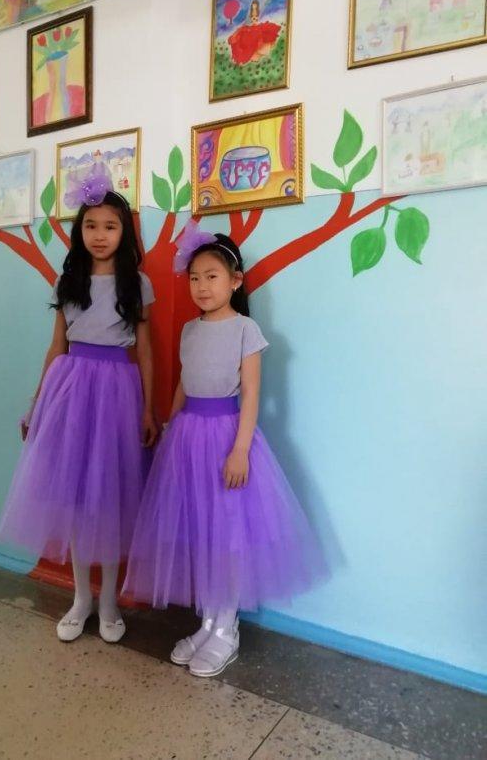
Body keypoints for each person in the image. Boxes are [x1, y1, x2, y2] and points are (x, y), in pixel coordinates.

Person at [123, 221, 326, 676]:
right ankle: (207, 621)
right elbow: (183, 382)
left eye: (211, 276)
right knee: (200, 532)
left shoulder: (245, 329)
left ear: (235, 280)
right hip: (188, 437)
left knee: (227, 534)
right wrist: (172, 424)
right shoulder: (189, 330)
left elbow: (251, 394)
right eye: (194, 277)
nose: (201, 286)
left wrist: (240, 450)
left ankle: (227, 627)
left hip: (227, 438)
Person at [0, 165, 157, 644]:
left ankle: (108, 600)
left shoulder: (137, 284)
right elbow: (56, 347)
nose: (100, 235)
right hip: (70, 391)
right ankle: (81, 598)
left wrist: (148, 409)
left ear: (124, 233)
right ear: (79, 231)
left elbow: (145, 351)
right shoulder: (68, 282)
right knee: (74, 498)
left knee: (108, 498)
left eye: (110, 226)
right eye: (91, 225)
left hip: (117, 394)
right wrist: (37, 403)